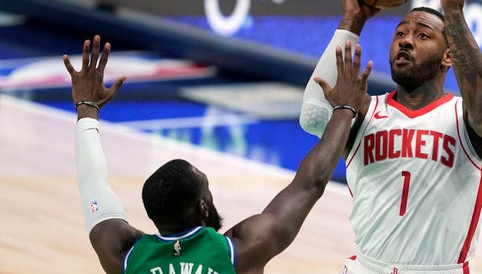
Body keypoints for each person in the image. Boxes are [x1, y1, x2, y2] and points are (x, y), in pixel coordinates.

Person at [64, 34, 372, 274]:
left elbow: (93, 186)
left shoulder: (124, 255)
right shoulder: (239, 251)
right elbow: (310, 183)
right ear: (202, 206)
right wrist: (344, 110)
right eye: (208, 193)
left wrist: (87, 111)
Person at [299, 0, 482, 273]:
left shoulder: (465, 118)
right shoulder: (365, 111)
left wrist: (453, 13)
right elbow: (313, 116)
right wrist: (352, 21)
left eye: (422, 35)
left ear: (448, 55)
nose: (406, 41)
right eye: (400, 34)